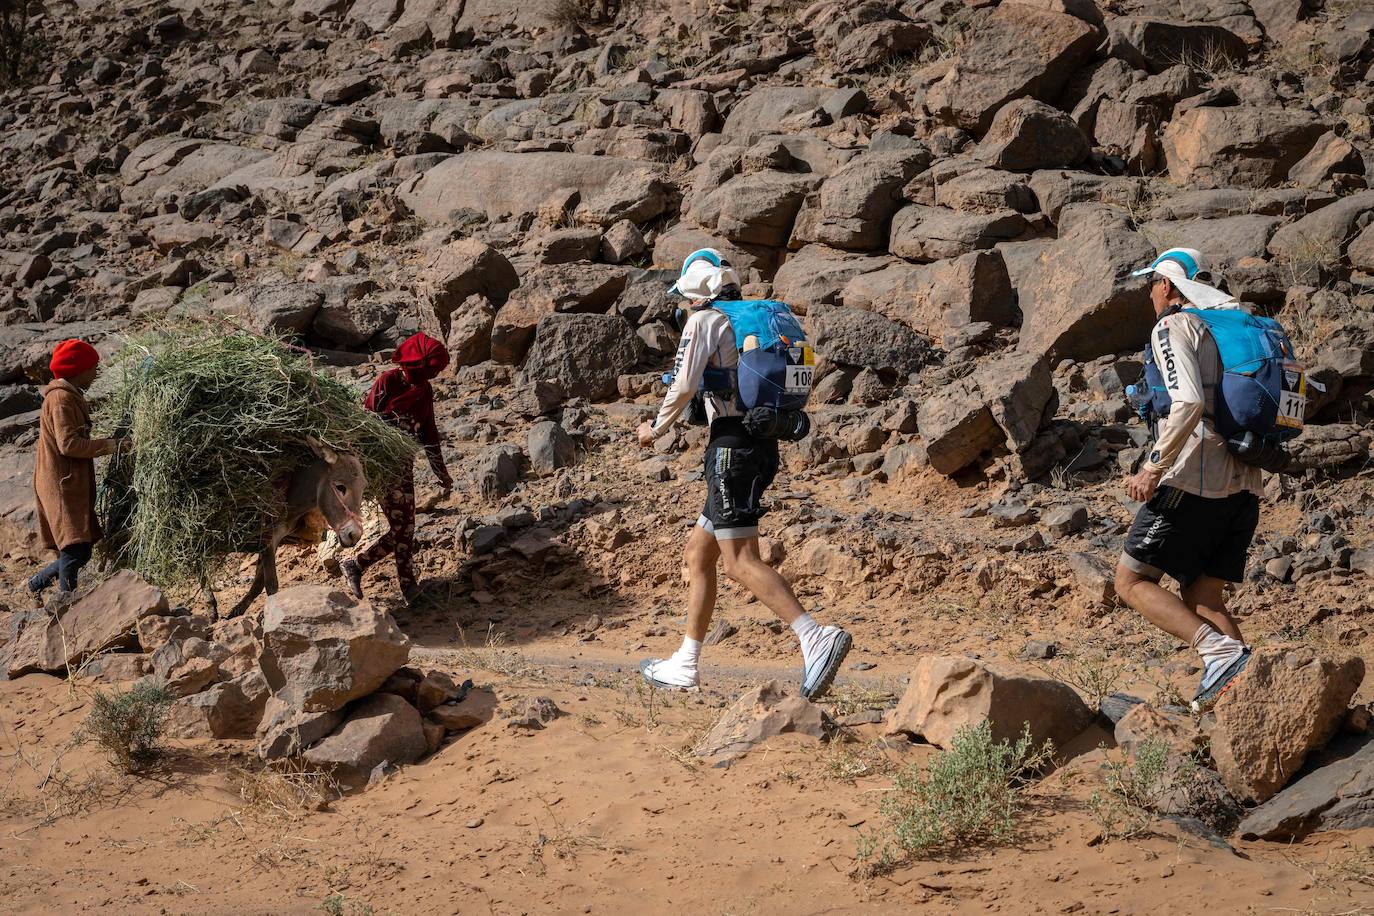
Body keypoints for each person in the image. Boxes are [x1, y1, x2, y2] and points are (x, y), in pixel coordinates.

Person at [636, 250, 852, 699]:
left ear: (694, 294)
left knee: (739, 561)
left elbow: (683, 383)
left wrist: (653, 429)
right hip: (761, 442)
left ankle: (815, 636)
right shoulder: (753, 319)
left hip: (731, 450)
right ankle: (686, 664)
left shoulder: (704, 322)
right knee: (699, 556)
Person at [1114, 248, 1264, 711]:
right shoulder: (1229, 327)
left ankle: (1216, 650)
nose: (1150, 294)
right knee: (1204, 596)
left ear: (1167, 286)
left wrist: (1152, 466)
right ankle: (1249, 707)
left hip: (1196, 479)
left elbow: (1188, 403)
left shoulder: (1174, 326)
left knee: (1131, 581)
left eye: (1152, 284)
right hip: (1246, 478)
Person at [341, 332, 453, 606]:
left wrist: (441, 471)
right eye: (432, 369)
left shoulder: (424, 390)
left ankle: (359, 565)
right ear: (418, 364)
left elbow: (429, 432)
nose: (435, 375)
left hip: (403, 466)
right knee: (404, 527)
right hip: (380, 465)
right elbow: (367, 423)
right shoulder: (387, 381)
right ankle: (405, 587)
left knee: (406, 527)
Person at [29, 339, 129, 600]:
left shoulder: (69, 396)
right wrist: (112, 446)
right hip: (61, 484)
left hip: (66, 482)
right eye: (93, 368)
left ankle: (38, 583)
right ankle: (67, 602)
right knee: (75, 548)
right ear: (78, 370)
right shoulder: (61, 399)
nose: (96, 373)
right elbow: (69, 444)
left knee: (79, 549)